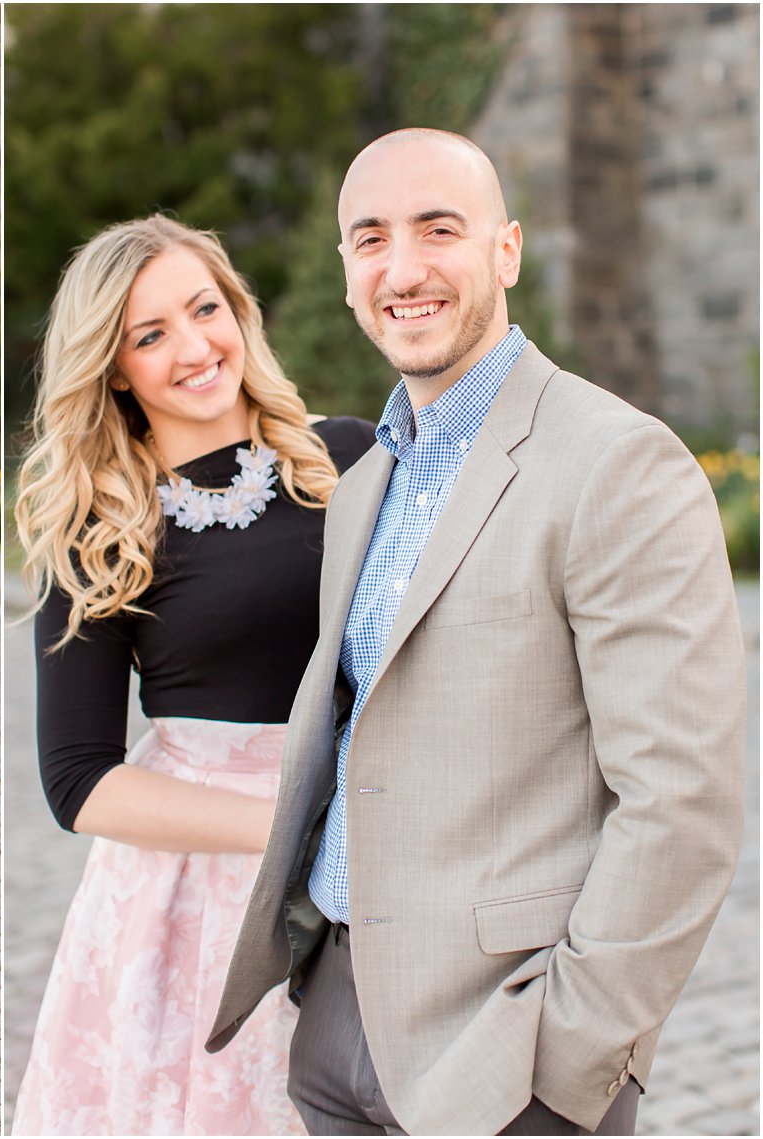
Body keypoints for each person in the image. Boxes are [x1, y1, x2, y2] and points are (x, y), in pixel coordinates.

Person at [208, 129, 746, 1136]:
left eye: (436, 230)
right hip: (335, 1017)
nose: (400, 269)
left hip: (502, 1049)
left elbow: (684, 797)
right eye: (368, 239)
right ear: (343, 273)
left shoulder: (616, 462)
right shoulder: (364, 476)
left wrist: (566, 1057)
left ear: (503, 250)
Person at [11, 215, 376, 1134]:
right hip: (204, 892)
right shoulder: (96, 534)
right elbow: (78, 782)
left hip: (381, 849)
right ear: (114, 368)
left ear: (239, 310)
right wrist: (297, 832)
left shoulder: (356, 457)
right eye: (150, 334)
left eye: (204, 308)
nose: (194, 346)